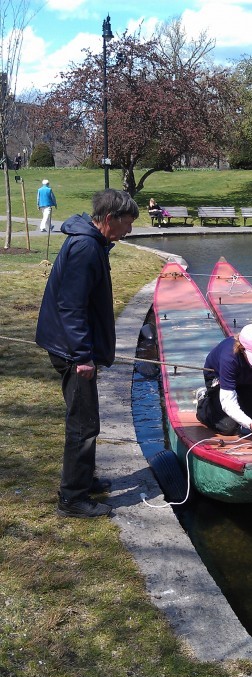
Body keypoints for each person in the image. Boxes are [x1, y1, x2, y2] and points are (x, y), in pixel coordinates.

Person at [36, 189, 139, 518]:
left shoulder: (92, 243)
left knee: (84, 420)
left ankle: (82, 479)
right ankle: (72, 498)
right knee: (83, 423)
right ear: (109, 219)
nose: (129, 231)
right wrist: (82, 356)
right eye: (127, 223)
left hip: (73, 346)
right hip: (71, 350)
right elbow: (71, 306)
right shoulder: (85, 247)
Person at [196, 323, 252, 437]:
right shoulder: (229, 357)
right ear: (242, 348)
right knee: (229, 426)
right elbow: (228, 402)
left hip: (249, 379)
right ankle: (204, 403)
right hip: (219, 378)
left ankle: (245, 402)